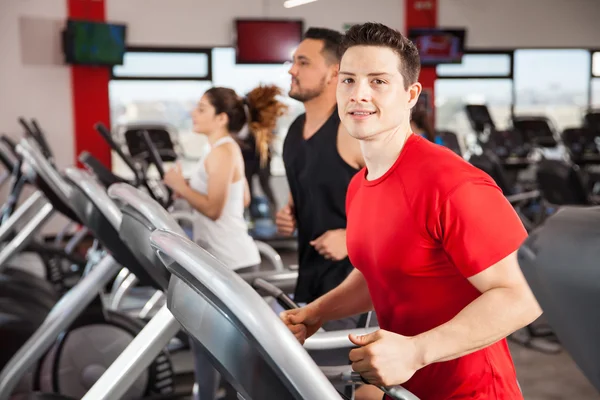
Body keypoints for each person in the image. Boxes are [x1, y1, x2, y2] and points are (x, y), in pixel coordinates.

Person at [280, 22, 542, 400]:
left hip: (472, 392)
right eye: (349, 81)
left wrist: (416, 351)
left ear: (410, 94)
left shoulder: (452, 184)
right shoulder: (361, 184)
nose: (359, 94)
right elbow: (380, 272)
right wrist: (318, 312)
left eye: (378, 81)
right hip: (404, 388)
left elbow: (526, 295)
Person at [277, 26, 364, 308]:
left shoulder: (351, 132)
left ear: (334, 73)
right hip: (310, 283)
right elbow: (306, 193)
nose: (292, 70)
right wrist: (290, 214)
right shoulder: (294, 131)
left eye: (303, 63)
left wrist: (352, 239)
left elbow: (411, 207)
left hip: (355, 292)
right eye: (293, 62)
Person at [164, 84, 287, 271]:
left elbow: (214, 210)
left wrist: (181, 187)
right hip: (225, 259)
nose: (193, 113)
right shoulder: (218, 148)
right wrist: (192, 189)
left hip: (232, 261)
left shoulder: (223, 151)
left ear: (221, 118)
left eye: (202, 109)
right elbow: (243, 199)